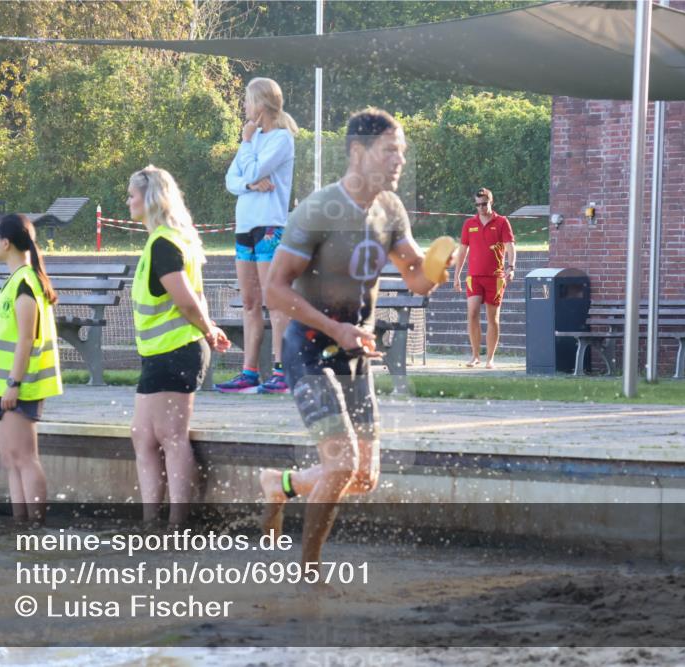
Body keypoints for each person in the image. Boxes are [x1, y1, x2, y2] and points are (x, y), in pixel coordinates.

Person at [260, 108, 452, 579]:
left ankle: (279, 484)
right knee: (342, 462)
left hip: (354, 353)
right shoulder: (319, 209)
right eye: (390, 151)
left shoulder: (390, 210)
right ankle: (309, 575)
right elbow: (274, 289)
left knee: (363, 476)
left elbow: (414, 277)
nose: (398, 161)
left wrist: (438, 269)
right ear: (357, 152)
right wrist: (335, 328)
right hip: (307, 350)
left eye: (401, 153)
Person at [127, 166, 231, 524]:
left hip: (176, 350)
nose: (128, 201)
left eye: (132, 195)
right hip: (162, 352)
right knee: (143, 436)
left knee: (171, 436)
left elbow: (186, 300)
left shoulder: (164, 244)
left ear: (150, 198)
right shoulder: (169, 239)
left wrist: (207, 329)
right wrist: (208, 328)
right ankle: (151, 520)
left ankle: (176, 523)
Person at [217, 77, 298, 394]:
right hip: (244, 226)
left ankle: (281, 371)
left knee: (273, 299)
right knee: (250, 301)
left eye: (248, 101)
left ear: (261, 105)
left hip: (268, 226)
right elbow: (232, 180)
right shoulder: (251, 140)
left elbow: (249, 171)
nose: (244, 107)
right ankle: (249, 372)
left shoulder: (280, 139)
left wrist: (248, 151)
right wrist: (250, 184)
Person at [0, 213, 62, 523]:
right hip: (2, 386)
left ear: (5, 242)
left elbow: (26, 339)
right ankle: (21, 525)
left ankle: (37, 527)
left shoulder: (26, 284)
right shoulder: (15, 280)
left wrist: (14, 383)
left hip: (19, 385)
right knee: (11, 460)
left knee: (26, 459)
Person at [452, 188, 516, 369]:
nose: (481, 208)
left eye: (484, 204)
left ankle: (490, 358)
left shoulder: (502, 222)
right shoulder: (469, 224)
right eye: (478, 204)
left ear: (491, 202)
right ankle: (475, 356)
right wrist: (456, 275)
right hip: (474, 276)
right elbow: (463, 251)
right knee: (472, 313)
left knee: (492, 318)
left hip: (495, 277)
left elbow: (510, 247)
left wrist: (511, 267)